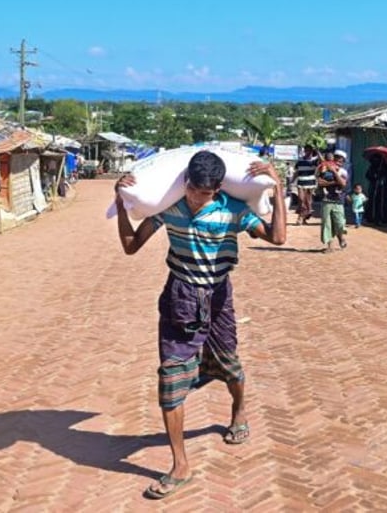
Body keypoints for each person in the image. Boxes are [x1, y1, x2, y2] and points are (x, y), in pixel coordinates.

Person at [114, 150, 286, 500]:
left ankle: (238, 410)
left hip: (219, 299)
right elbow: (131, 245)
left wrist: (279, 190)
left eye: (204, 193)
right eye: (192, 189)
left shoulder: (235, 212)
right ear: (186, 184)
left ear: (218, 188)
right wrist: (120, 202)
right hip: (179, 296)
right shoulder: (169, 209)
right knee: (171, 378)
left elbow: (277, 238)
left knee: (229, 365)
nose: (195, 198)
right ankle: (180, 465)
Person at [318, 150, 348, 252]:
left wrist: (334, 173)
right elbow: (320, 183)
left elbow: (343, 184)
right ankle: (330, 246)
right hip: (326, 200)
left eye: (341, 160)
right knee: (327, 224)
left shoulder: (343, 171)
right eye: (337, 159)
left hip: (339, 201)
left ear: (343, 162)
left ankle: (341, 237)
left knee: (339, 223)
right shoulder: (324, 170)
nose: (338, 161)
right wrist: (335, 182)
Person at [365, 154, 387, 225]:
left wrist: (383, 176)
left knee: (383, 202)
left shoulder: (386, 167)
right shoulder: (372, 167)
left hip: (383, 188)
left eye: (378, 160)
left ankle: (383, 218)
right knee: (373, 202)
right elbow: (368, 175)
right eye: (375, 160)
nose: (376, 161)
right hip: (374, 187)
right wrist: (374, 176)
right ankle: (371, 218)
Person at [294, 145, 319, 225]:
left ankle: (303, 217)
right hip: (301, 182)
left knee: (308, 201)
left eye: (309, 151)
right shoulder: (300, 160)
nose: (307, 152)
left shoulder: (314, 160)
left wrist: (318, 151)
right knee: (301, 200)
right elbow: (297, 171)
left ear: (311, 151)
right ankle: (300, 217)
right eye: (306, 150)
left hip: (310, 183)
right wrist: (292, 181)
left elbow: (323, 161)